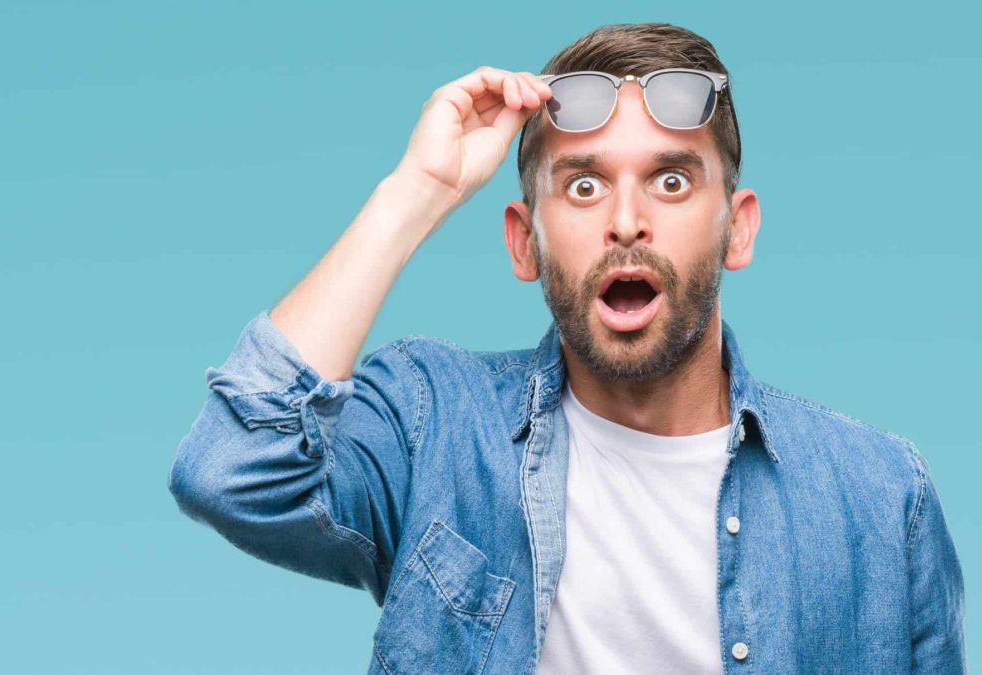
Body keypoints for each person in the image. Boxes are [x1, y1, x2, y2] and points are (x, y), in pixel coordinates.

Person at [168, 22, 967, 674]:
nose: (626, 220)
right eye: (583, 185)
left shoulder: (880, 496)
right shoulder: (434, 423)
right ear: (525, 243)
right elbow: (231, 471)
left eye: (672, 181)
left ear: (739, 226)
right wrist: (420, 191)